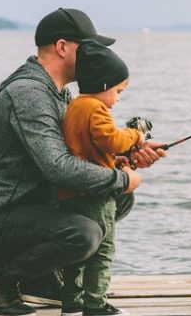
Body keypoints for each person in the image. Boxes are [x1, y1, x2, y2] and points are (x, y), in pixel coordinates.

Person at [0, 8, 166, 316]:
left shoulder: (60, 95)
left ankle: (39, 278)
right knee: (85, 233)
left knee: (119, 198)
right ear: (62, 47)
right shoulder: (29, 93)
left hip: (26, 208)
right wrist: (121, 178)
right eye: (88, 47)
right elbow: (58, 167)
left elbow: (73, 156)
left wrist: (123, 158)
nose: (95, 55)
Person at [59, 39, 141, 316]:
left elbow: (88, 148)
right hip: (95, 195)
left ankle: (72, 302)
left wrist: (114, 162)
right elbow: (111, 139)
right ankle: (95, 304)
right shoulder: (96, 108)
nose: (118, 99)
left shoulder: (76, 106)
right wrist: (136, 136)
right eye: (118, 91)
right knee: (103, 251)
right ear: (104, 85)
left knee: (80, 256)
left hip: (72, 194)